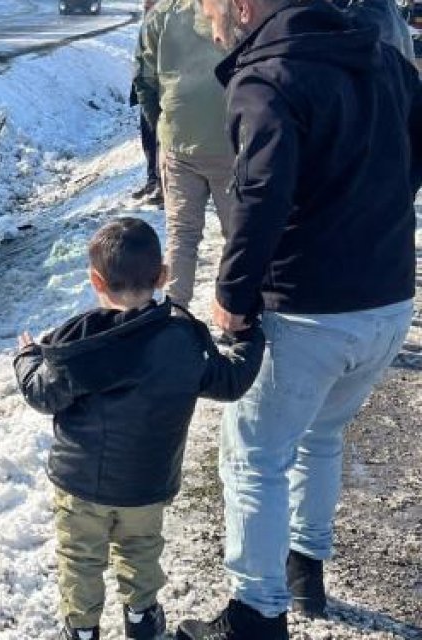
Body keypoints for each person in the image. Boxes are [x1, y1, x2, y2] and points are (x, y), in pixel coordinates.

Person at [178, 0, 421, 635]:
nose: (211, 25)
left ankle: (255, 615)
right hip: (388, 299)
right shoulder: (383, 57)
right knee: (321, 435)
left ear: (242, 7)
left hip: (308, 310)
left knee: (253, 457)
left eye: (211, 10)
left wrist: (233, 294)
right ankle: (303, 570)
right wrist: (370, 224)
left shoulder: (268, 77)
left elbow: (261, 194)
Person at [14, 218, 264, 640]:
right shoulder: (184, 339)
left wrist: (27, 358)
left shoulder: (79, 343)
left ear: (96, 280)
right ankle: (142, 616)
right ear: (163, 275)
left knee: (80, 559)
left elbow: (42, 395)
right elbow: (231, 382)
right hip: (147, 484)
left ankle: (83, 630)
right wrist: (249, 339)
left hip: (80, 485)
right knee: (141, 550)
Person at [133, 0, 234, 307]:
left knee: (182, 235)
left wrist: (162, 127)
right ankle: (237, 309)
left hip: (179, 142)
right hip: (232, 142)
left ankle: (176, 311)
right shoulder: (240, 10)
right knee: (239, 234)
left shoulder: (160, 15)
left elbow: (144, 80)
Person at [130, 0, 164, 206]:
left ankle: (162, 185)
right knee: (149, 140)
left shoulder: (166, 22)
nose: (146, 6)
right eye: (145, 6)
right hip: (146, 90)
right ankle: (152, 180)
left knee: (161, 140)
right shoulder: (147, 22)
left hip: (159, 91)